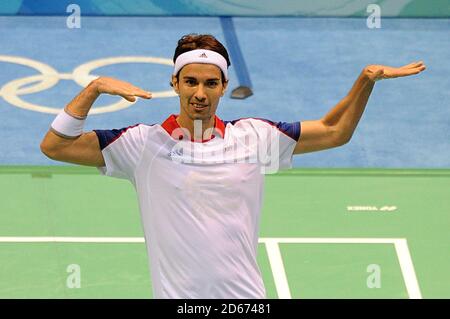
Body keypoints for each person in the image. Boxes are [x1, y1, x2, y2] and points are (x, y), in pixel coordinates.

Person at [40, 34, 426, 298]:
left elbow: (334, 131)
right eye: (190, 81)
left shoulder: (255, 138)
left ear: (224, 86)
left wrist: (366, 80)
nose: (200, 93)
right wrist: (93, 90)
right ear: (174, 82)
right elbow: (55, 145)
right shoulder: (141, 145)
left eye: (211, 83)